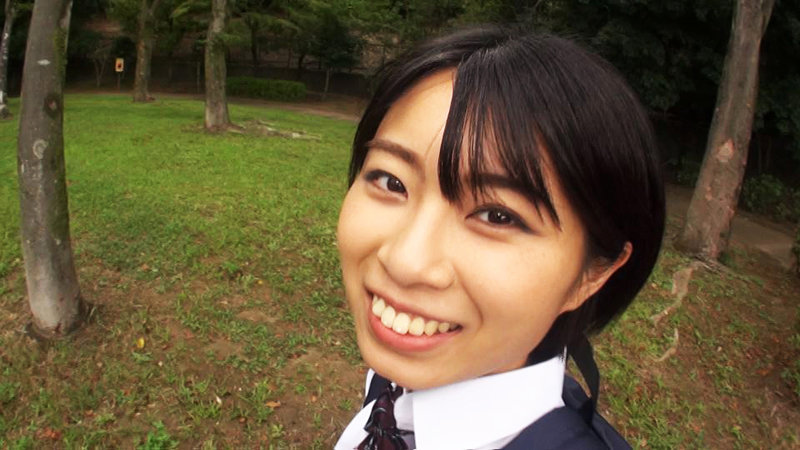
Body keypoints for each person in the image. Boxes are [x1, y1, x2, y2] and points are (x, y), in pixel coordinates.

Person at [334, 25, 665, 450]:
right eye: (391, 181)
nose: (405, 261)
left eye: (497, 216)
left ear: (593, 273)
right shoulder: (397, 385)